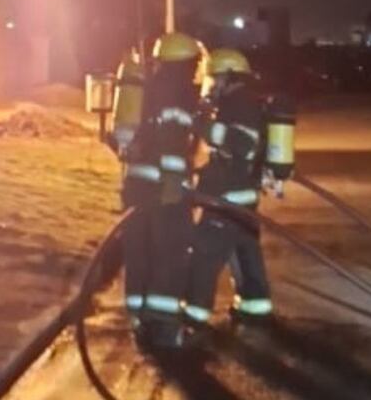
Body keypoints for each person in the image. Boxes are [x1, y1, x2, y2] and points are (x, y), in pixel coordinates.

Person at [184, 48, 296, 332]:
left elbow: (241, 142)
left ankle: (194, 315)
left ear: (229, 77)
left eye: (216, 79)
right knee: (244, 253)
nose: (213, 86)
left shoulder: (239, 103)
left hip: (228, 197)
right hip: (242, 195)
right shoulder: (240, 102)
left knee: (205, 255)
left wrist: (202, 125)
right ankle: (255, 307)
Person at [116, 32, 206, 351]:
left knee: (139, 252)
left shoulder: (150, 86)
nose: (196, 69)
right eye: (194, 63)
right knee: (171, 253)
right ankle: (165, 327)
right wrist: (172, 184)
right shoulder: (177, 90)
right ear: (184, 62)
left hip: (137, 186)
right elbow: (172, 137)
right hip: (163, 189)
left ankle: (139, 318)